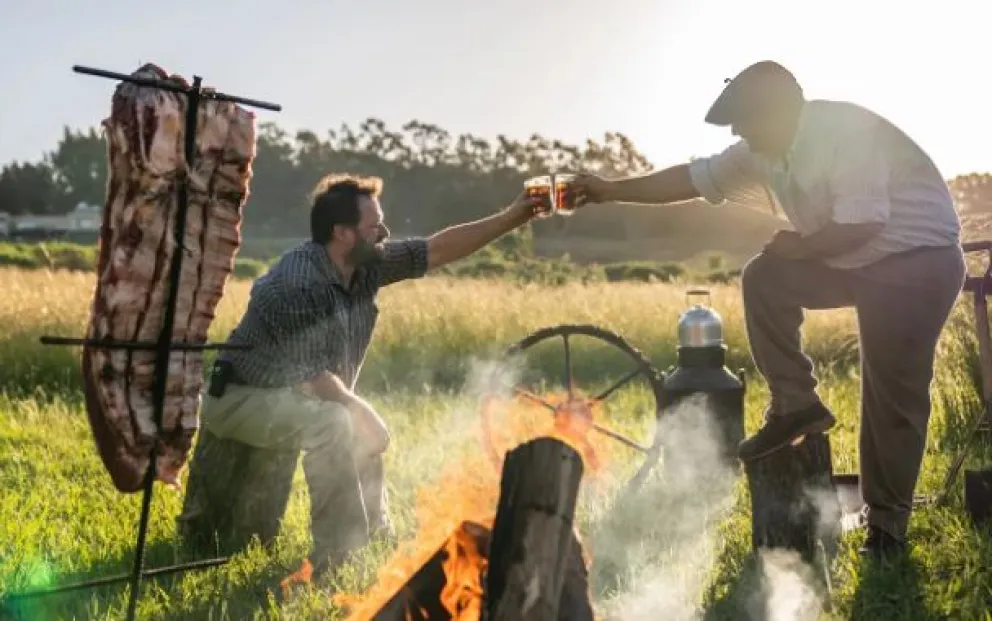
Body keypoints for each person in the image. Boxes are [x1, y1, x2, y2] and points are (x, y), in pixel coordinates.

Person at [570, 60, 965, 560]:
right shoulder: (761, 150)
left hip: (916, 260)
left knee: (891, 393)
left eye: (745, 121)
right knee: (765, 277)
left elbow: (863, 224)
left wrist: (800, 246)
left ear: (781, 112)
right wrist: (609, 189)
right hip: (853, 258)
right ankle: (796, 403)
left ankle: (887, 531)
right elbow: (690, 179)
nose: (738, 132)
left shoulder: (843, 131)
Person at [194, 173, 542, 582]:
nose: (385, 232)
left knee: (347, 418)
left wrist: (515, 215)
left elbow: (438, 248)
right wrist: (365, 412)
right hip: (240, 397)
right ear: (342, 233)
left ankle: (376, 539)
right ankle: (336, 560)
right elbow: (315, 380)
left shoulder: (367, 264)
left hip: (290, 395)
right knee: (335, 420)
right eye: (374, 225)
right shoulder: (298, 282)